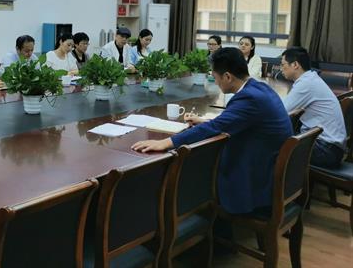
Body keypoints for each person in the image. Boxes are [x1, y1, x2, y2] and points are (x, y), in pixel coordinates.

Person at [132, 47, 292, 215]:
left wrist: (165, 142)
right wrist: (204, 121)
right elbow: (234, 120)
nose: (215, 82)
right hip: (268, 164)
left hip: (255, 176)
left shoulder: (249, 98)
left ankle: (188, 217)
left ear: (227, 76)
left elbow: (214, 128)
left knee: (193, 164)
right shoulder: (259, 88)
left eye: (215, 77)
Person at [280, 46, 346, 168]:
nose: (281, 68)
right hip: (332, 147)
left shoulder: (306, 84)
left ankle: (282, 179)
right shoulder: (310, 79)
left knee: (274, 140)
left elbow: (280, 111)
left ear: (295, 65)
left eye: (283, 64)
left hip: (326, 150)